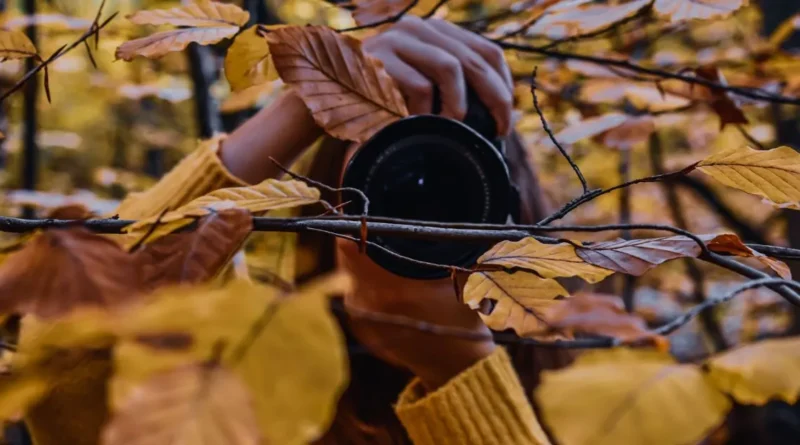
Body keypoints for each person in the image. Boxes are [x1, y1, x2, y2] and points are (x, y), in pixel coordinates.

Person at [27, 16, 567, 445]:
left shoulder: (601, 407)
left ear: (511, 226)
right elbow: (61, 372)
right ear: (326, 206)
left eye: (455, 196)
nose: (416, 214)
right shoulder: (253, 394)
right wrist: (308, 102)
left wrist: (458, 366)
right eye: (382, 188)